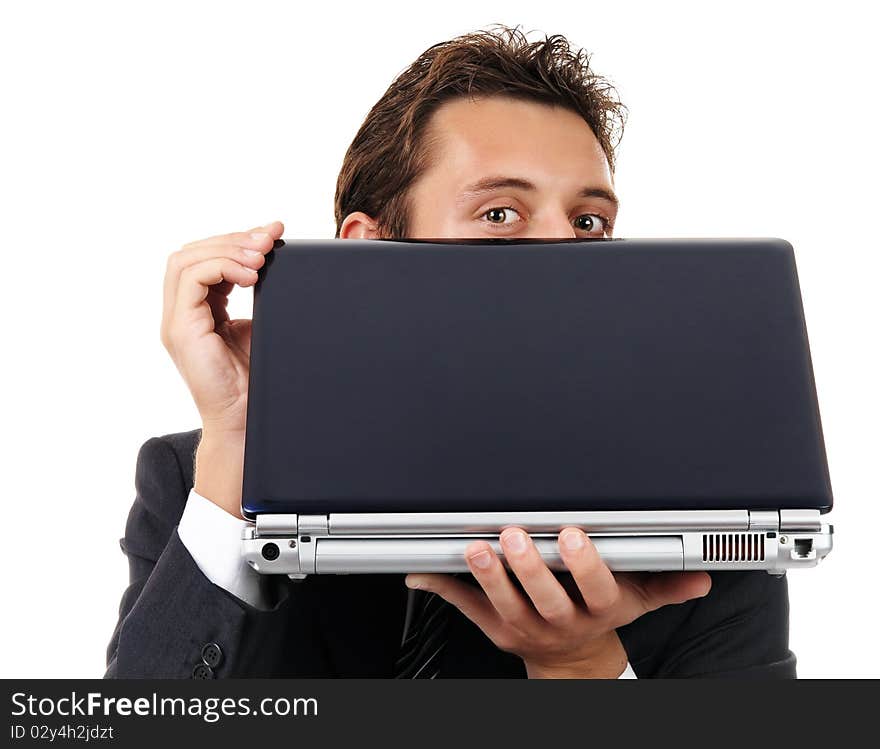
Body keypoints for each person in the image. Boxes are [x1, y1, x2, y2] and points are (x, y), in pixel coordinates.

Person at [106, 25, 795, 679]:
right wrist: (239, 440)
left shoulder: (712, 516)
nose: (563, 252)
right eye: (500, 213)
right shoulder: (192, 477)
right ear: (365, 254)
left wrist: (579, 665)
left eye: (589, 222)